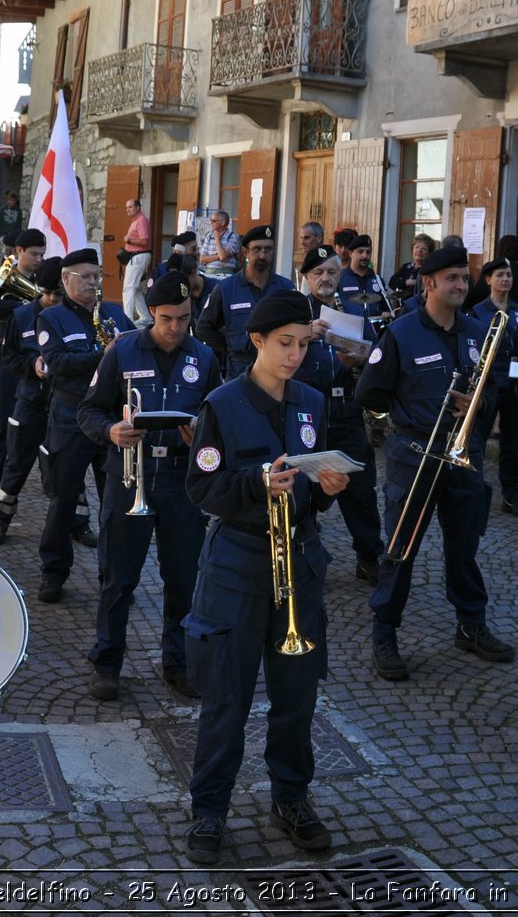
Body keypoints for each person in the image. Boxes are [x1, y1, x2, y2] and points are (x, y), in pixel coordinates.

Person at [182, 289, 349, 865]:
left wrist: (326, 488)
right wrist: (255, 485)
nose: (296, 355)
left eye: (304, 344)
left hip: (298, 565)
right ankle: (209, 809)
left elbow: (314, 490)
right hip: (237, 566)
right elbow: (201, 488)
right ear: (256, 341)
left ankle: (292, 798)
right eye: (285, 344)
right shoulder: (221, 405)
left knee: (296, 697)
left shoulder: (310, 401)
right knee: (227, 697)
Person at [355, 244, 514, 682]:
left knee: (464, 547)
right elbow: (368, 393)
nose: (462, 286)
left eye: (465, 278)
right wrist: (403, 421)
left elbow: (493, 390)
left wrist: (476, 407)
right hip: (414, 456)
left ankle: (471, 624)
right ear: (429, 283)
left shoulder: (477, 331)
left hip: (463, 456)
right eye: (452, 279)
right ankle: (384, 634)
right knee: (400, 550)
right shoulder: (402, 334)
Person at [80, 272, 222, 701]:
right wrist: (111, 432)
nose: (175, 327)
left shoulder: (205, 357)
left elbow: (220, 424)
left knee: (182, 579)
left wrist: (202, 438)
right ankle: (107, 663)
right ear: (149, 314)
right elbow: (87, 412)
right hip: (129, 478)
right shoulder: (121, 350)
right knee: (118, 579)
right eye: (166, 319)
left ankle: (177, 664)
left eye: (182, 318)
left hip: (182, 482)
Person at [35, 249, 134, 603]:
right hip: (71, 418)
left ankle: (114, 576)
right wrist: (106, 355)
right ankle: (53, 572)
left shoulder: (116, 314)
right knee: (63, 500)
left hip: (111, 418)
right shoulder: (52, 319)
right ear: (66, 279)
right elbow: (58, 363)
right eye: (86, 277)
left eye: (97, 276)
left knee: (116, 502)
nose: (94, 283)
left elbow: (138, 351)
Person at [298, 245, 385, 583]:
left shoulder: (354, 312)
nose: (326, 278)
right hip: (308, 414)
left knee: (361, 489)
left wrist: (362, 360)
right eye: (318, 272)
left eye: (332, 272)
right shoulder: (295, 312)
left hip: (347, 411)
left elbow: (377, 355)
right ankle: (305, 553)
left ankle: (368, 555)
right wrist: (306, 337)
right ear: (307, 277)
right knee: (304, 490)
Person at [0, 257, 65, 546]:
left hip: (63, 405)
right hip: (31, 400)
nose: (53, 300)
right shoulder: (20, 317)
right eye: (48, 294)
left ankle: (77, 521)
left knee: (66, 466)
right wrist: (32, 366)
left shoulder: (73, 315)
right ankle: (0, 518)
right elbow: (7, 357)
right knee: (16, 461)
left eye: (59, 295)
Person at [0, 230, 47, 497]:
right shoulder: (4, 273)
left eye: (42, 254)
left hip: (36, 358)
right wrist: (28, 305)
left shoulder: (45, 278)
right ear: (19, 251)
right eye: (34, 254)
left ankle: (47, 475)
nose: (39, 259)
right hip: (6, 356)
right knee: (3, 417)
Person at [470, 257, 518, 518]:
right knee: (476, 440)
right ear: (489, 280)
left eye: (509, 275)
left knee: (510, 446)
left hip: (517, 383)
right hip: (489, 381)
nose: (506, 279)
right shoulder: (478, 312)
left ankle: (511, 496)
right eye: (500, 275)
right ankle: (472, 492)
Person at [195, 226, 295, 379]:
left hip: (276, 373)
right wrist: (230, 346)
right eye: (257, 249)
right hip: (240, 372)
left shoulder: (285, 288)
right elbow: (203, 328)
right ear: (245, 252)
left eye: (268, 249)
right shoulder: (226, 288)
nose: (262, 255)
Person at [121, 197, 153, 326]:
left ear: (138, 207)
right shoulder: (136, 221)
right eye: (127, 208)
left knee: (128, 288)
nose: (128, 210)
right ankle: (145, 316)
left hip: (138, 256)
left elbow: (144, 241)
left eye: (130, 207)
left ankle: (127, 318)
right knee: (138, 289)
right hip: (136, 257)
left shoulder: (141, 221)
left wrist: (128, 241)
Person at [337, 234, 386, 306]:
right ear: (350, 254)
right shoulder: (339, 279)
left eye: (368, 252)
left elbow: (387, 308)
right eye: (360, 252)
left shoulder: (378, 280)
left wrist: (386, 313)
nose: (365, 256)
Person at [389, 234, 436, 305]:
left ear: (429, 253)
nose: (419, 250)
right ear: (412, 249)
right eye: (417, 247)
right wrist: (407, 282)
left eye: (424, 248)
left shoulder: (431, 269)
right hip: (404, 307)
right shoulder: (406, 267)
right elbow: (392, 282)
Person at [197, 210, 240, 276]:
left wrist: (217, 239)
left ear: (222, 222)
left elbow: (223, 257)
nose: (211, 223)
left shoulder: (232, 237)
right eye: (210, 220)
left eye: (213, 221)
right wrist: (218, 256)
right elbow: (202, 259)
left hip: (226, 273)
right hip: (209, 271)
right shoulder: (209, 236)